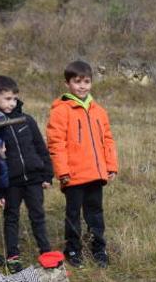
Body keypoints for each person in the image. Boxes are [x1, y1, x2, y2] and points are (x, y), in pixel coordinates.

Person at [46, 60, 118, 268]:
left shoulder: (99, 111)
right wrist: (62, 171)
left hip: (96, 174)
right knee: (73, 214)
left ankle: (98, 248)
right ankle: (73, 249)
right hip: (74, 175)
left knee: (95, 213)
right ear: (67, 83)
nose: (82, 86)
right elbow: (55, 143)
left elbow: (108, 139)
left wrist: (111, 166)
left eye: (86, 81)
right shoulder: (61, 111)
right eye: (77, 82)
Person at [0, 75, 54, 273]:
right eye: (7, 99)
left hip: (34, 178)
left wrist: (47, 175)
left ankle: (46, 251)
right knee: (11, 217)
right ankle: (13, 256)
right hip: (11, 182)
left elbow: (41, 148)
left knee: (38, 215)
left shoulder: (27, 120)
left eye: (14, 99)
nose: (12, 103)